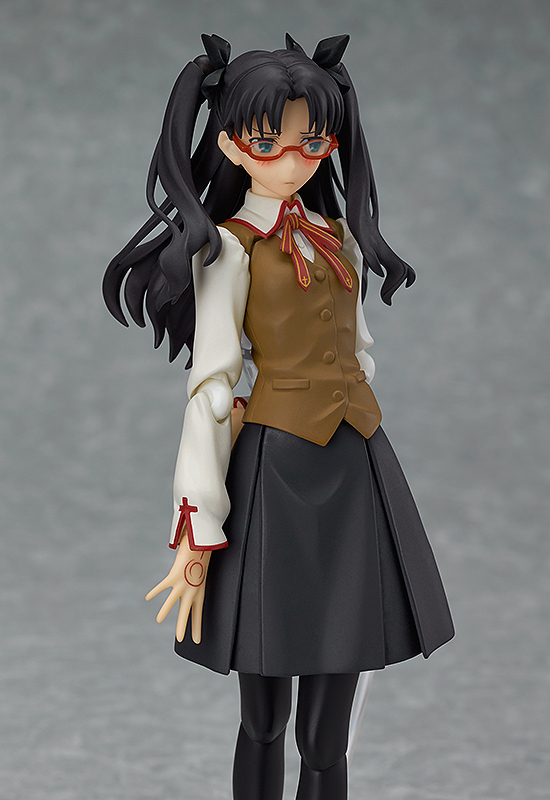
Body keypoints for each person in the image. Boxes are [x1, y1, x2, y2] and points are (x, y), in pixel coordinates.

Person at [103, 33, 454, 800]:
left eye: (312, 141)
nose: (293, 160)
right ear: (232, 144)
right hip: (275, 479)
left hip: (357, 467)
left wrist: (353, 405)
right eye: (269, 142)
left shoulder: (340, 240)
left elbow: (358, 351)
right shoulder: (228, 251)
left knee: (327, 734)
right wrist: (196, 531)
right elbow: (211, 386)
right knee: (263, 717)